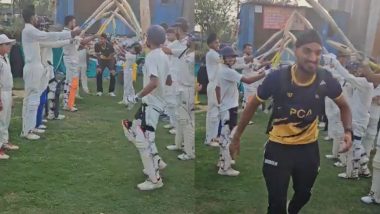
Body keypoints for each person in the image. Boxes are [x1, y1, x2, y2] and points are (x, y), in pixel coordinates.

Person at [229, 30, 352, 214]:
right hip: (278, 148)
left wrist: (348, 131)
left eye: (318, 53)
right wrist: (236, 136)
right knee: (276, 206)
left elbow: (344, 106)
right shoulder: (277, 78)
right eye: (307, 51)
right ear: (296, 51)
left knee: (303, 195)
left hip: (308, 149)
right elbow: (252, 104)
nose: (313, 57)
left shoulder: (325, 78)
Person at [21, 5, 81, 140]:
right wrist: (70, 33)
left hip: (36, 67)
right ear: (31, 17)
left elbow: (51, 43)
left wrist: (70, 40)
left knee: (35, 99)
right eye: (35, 16)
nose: (38, 18)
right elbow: (48, 35)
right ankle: (27, 130)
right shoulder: (29, 31)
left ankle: (32, 127)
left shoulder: (32, 32)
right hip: (32, 67)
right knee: (32, 99)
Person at [122, 25, 170, 191]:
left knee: (144, 141)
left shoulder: (152, 57)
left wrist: (136, 96)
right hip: (154, 103)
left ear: (149, 40)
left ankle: (155, 179)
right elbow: (168, 80)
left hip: (151, 103)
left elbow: (154, 82)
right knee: (132, 127)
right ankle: (156, 161)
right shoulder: (163, 56)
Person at [216, 46, 267, 176]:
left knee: (225, 136)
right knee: (228, 137)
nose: (232, 59)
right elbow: (248, 81)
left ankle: (222, 161)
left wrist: (220, 102)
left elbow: (217, 88)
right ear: (223, 58)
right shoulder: (227, 71)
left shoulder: (224, 69)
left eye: (233, 57)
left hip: (226, 106)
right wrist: (265, 73)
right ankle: (224, 168)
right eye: (229, 57)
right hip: (229, 108)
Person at [0, 34, 19, 160]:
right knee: (0, 120)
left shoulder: (5, 58)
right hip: (1, 92)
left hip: (7, 91)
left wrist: (11, 95)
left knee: (6, 119)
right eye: (7, 44)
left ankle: (4, 141)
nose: (9, 46)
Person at [204, 33, 221, 147]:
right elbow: (230, 62)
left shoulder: (215, 54)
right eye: (216, 42)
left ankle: (212, 137)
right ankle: (210, 139)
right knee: (213, 113)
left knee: (215, 113)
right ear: (210, 44)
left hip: (216, 85)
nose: (218, 44)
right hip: (214, 85)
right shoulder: (212, 54)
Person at [119, 42, 141, 108]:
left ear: (135, 51)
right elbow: (125, 52)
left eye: (132, 49)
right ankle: (133, 97)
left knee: (126, 86)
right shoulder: (132, 54)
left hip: (128, 72)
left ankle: (126, 100)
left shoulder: (132, 56)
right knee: (130, 86)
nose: (131, 49)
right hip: (128, 71)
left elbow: (123, 53)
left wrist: (119, 48)